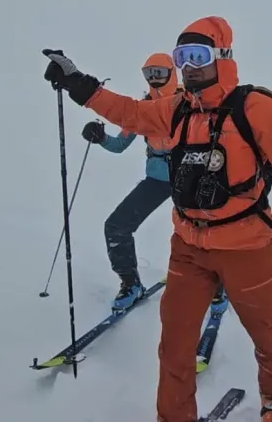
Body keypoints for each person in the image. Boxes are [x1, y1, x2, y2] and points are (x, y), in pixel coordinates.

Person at [41, 16, 272, 422]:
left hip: (246, 246)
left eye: (199, 57)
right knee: (176, 343)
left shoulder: (253, 107)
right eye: (182, 58)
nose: (189, 68)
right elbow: (126, 112)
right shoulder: (175, 110)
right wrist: (78, 84)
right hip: (188, 246)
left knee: (268, 333)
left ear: (223, 59)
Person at [82, 53, 227, 317]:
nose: (154, 79)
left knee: (205, 230)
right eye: (149, 73)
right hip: (158, 180)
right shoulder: (142, 110)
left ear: (173, 72)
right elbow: (118, 145)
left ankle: (217, 284)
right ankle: (130, 283)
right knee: (116, 226)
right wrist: (101, 137)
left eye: (160, 72)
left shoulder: (190, 103)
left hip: (192, 179)